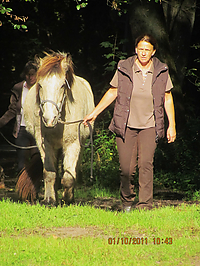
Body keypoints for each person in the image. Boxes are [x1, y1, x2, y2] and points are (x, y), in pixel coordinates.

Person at [83, 34, 176, 212]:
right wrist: (94, 113)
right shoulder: (124, 67)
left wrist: (172, 125)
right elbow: (113, 92)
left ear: (153, 52)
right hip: (125, 125)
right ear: (136, 49)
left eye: (147, 50)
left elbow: (167, 98)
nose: (143, 53)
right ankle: (127, 202)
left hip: (150, 125)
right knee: (126, 168)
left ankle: (144, 206)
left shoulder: (161, 70)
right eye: (140, 49)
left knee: (146, 165)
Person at [0, 61, 38, 172]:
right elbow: (12, 110)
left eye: (33, 74)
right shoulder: (19, 88)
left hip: (38, 129)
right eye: (28, 74)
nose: (30, 77)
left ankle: (36, 187)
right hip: (22, 129)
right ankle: (23, 187)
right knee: (22, 163)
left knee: (37, 160)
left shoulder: (42, 89)